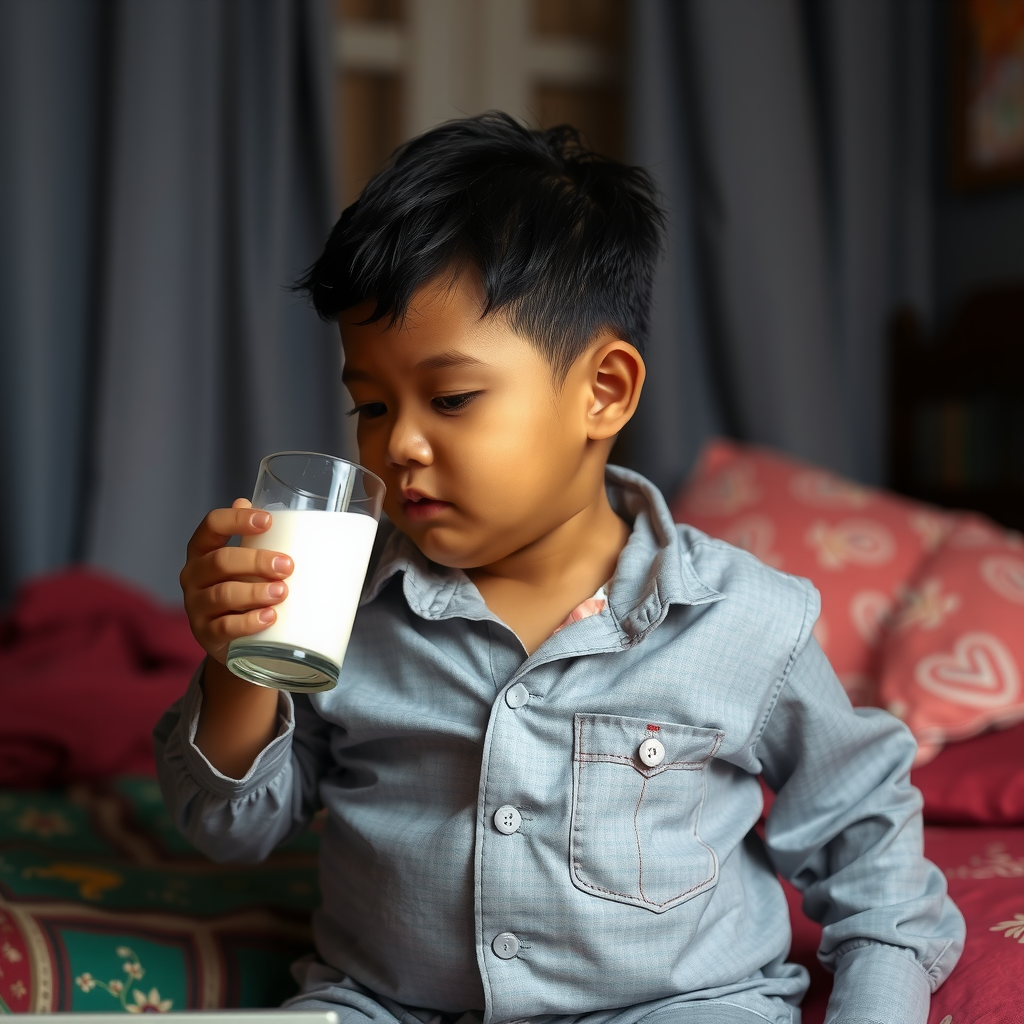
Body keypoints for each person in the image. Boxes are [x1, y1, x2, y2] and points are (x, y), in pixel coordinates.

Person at [157, 113, 964, 1024]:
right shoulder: (338, 601)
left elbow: (876, 859)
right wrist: (236, 657)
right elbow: (231, 831)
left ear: (603, 391)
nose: (401, 445)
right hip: (386, 1006)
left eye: (452, 398)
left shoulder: (744, 620)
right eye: (372, 406)